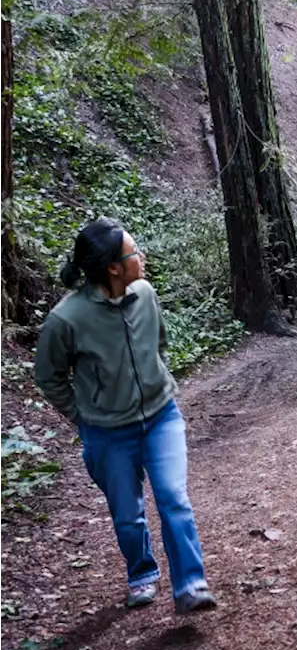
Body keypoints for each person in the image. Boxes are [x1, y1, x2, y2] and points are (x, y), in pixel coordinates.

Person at [34, 219, 217, 614]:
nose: (143, 257)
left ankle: (190, 584)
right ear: (114, 267)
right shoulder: (66, 319)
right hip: (107, 433)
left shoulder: (146, 294)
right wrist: (82, 416)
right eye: (135, 252)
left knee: (174, 498)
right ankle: (141, 573)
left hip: (161, 416)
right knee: (128, 517)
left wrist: (158, 380)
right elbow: (48, 377)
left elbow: (160, 343)